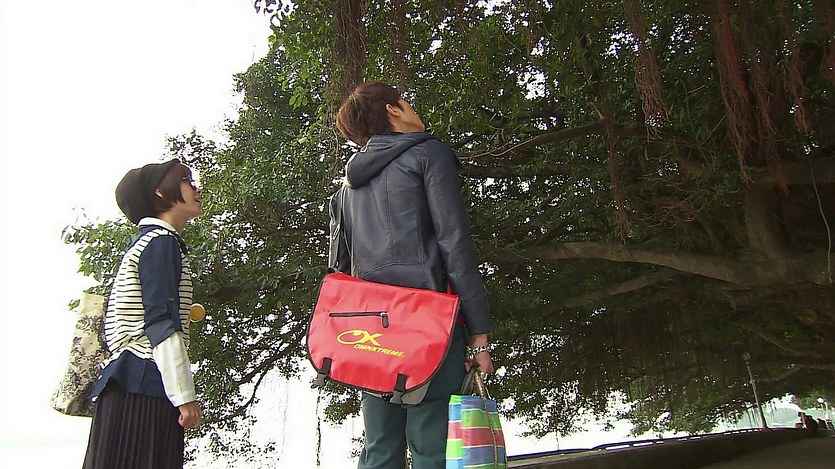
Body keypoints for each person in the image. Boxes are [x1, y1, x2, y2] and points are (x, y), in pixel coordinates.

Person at [331, 81, 495, 469]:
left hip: (370, 329)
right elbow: (454, 243)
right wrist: (480, 334)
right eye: (405, 101)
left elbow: (340, 269)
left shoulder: (345, 189)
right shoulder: (428, 153)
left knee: (380, 447)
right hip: (429, 321)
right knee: (431, 445)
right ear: (393, 110)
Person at [83, 159, 203, 469]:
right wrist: (184, 395)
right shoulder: (161, 243)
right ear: (160, 193)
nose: (196, 188)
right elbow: (161, 324)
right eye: (187, 180)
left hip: (126, 385)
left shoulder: (147, 242)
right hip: (144, 385)